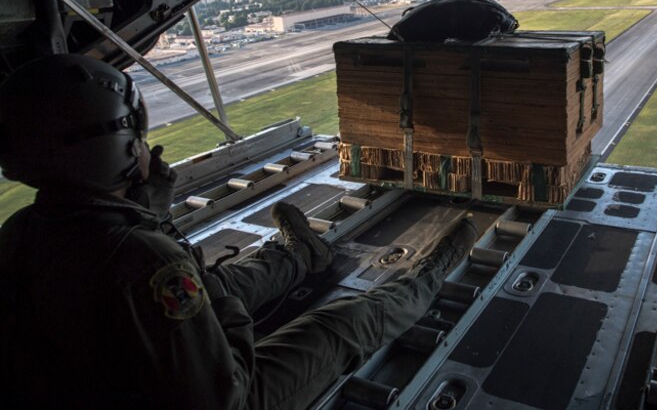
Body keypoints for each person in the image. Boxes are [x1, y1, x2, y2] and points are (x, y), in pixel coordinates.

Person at [0, 54, 477, 409]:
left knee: (224, 284)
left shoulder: (22, 231)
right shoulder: (144, 258)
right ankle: (430, 274)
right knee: (340, 323)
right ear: (118, 147)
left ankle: (297, 257)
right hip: (224, 399)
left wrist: (152, 214)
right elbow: (220, 396)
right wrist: (165, 236)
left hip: (116, 376)